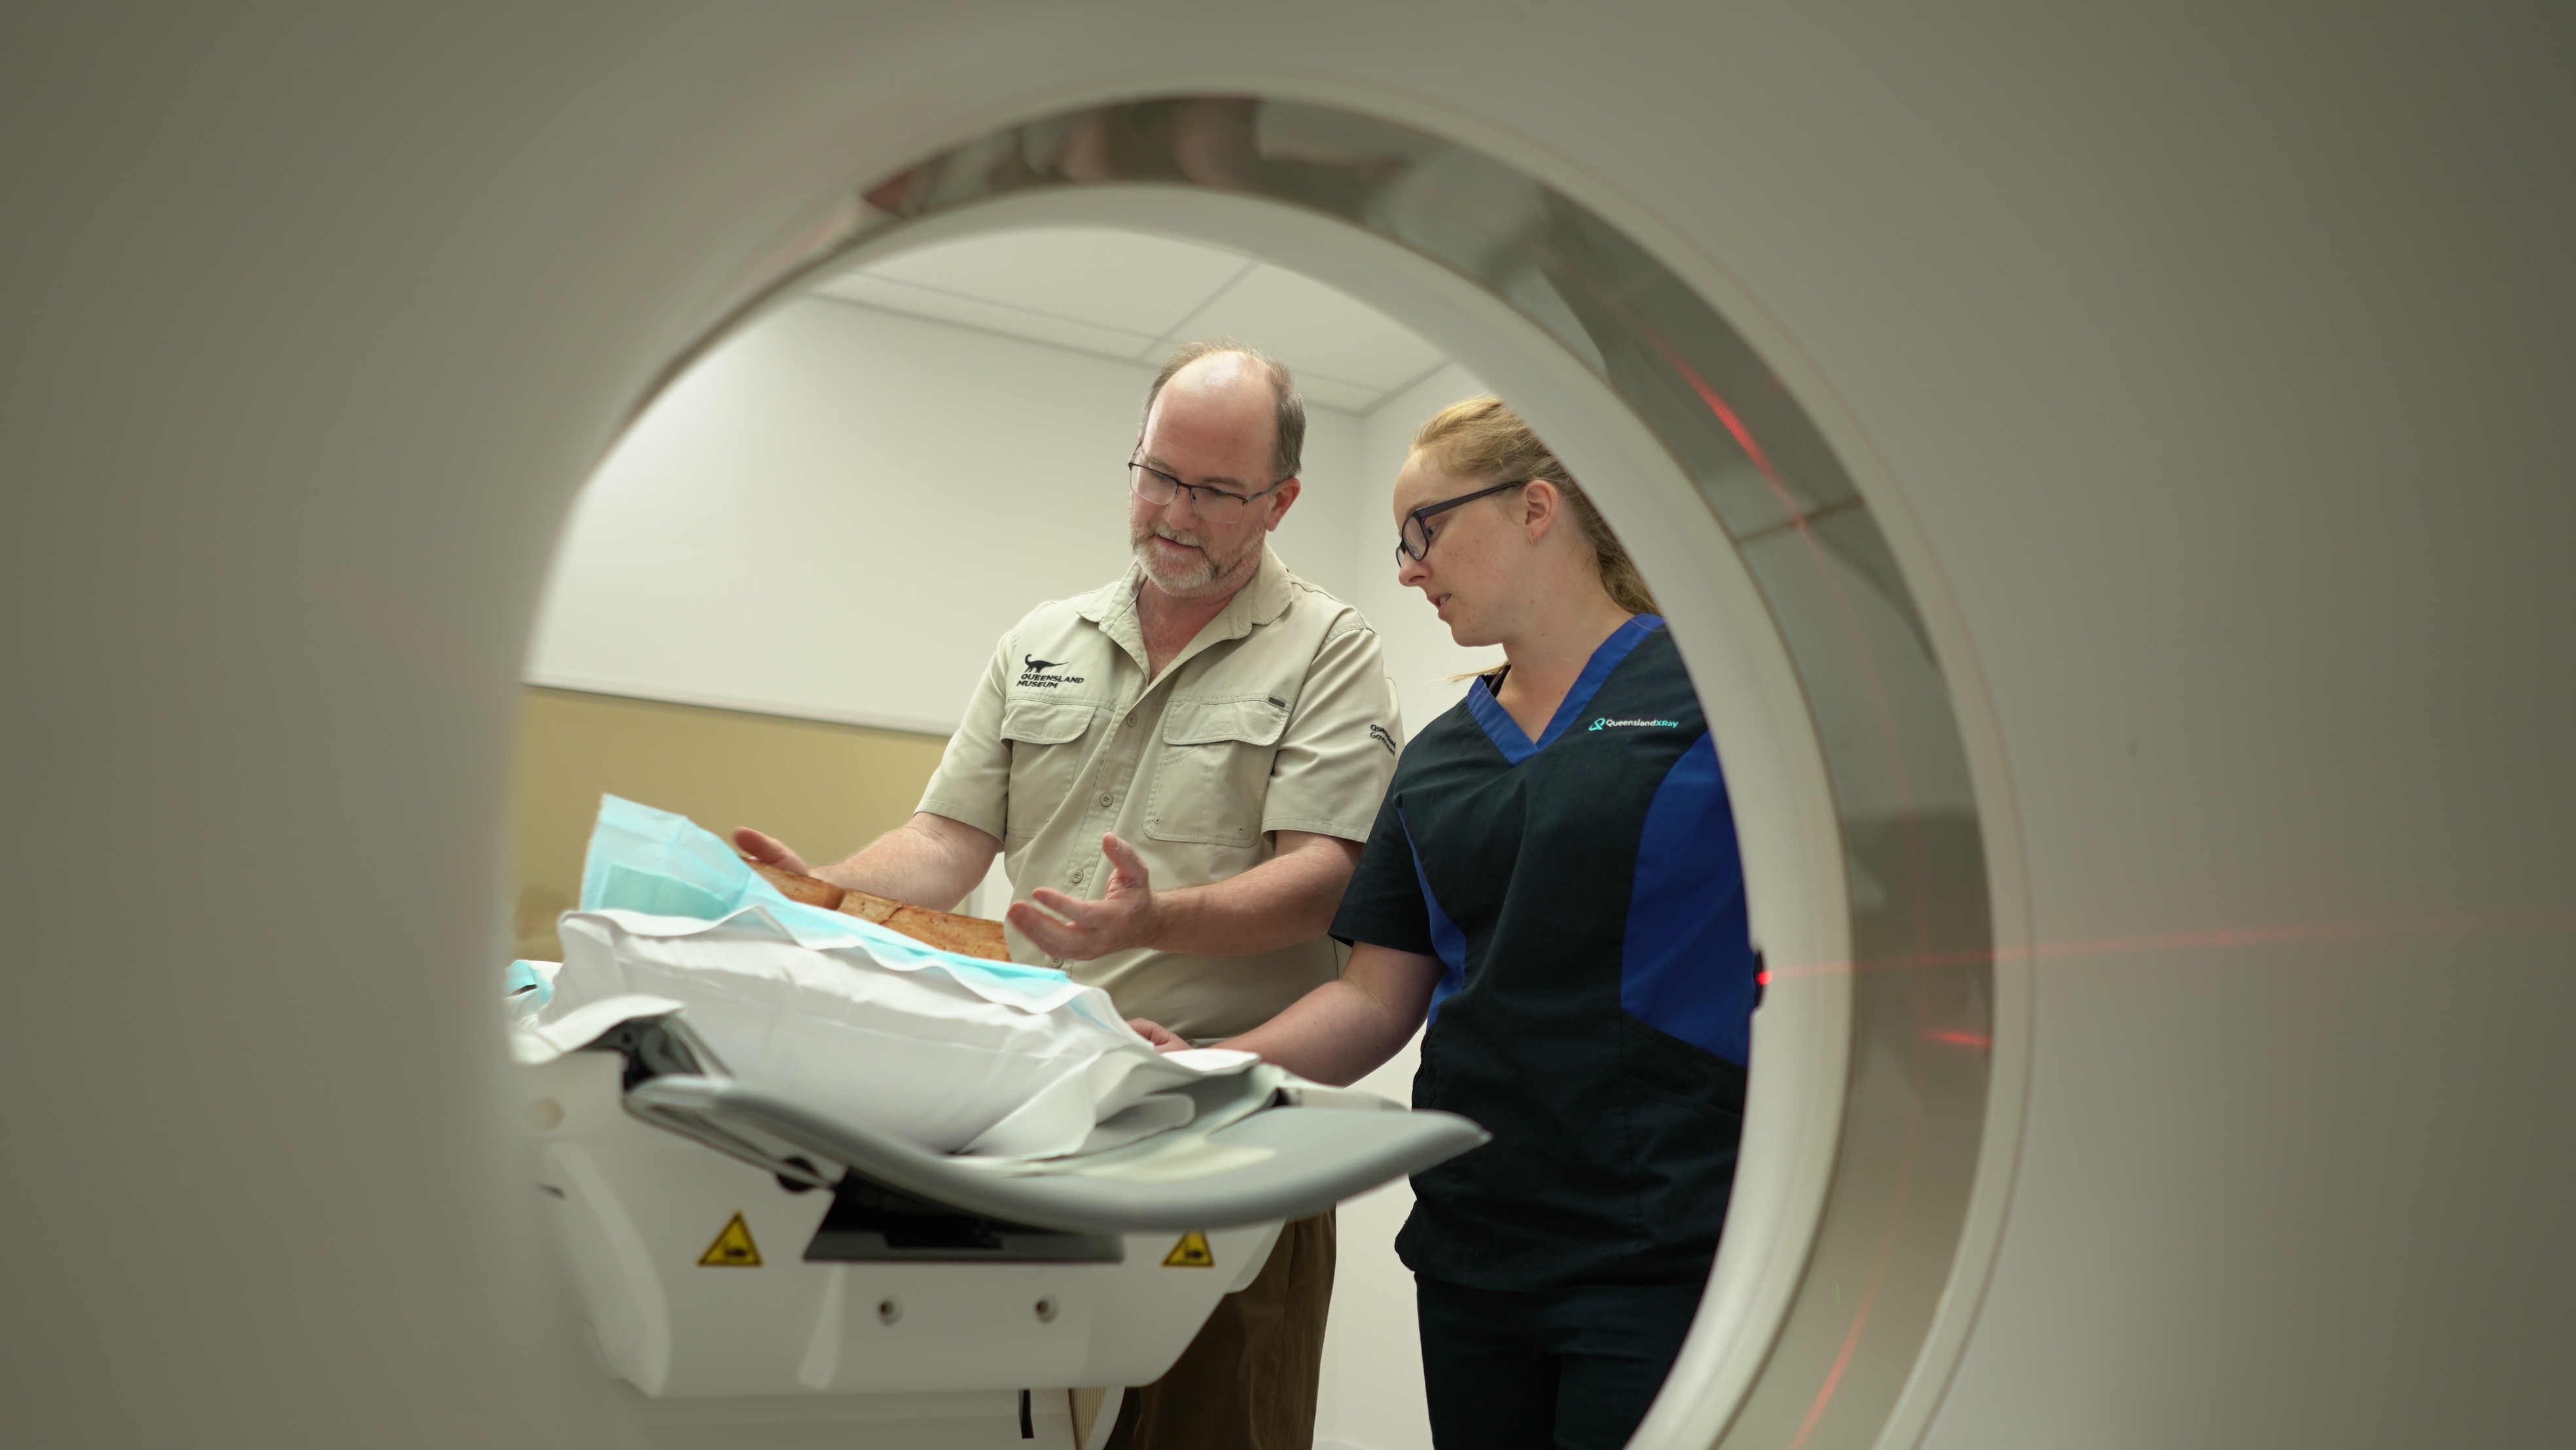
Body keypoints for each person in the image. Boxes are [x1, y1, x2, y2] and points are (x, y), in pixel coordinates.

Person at [734, 342, 1403, 1450]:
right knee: (1021, 1420)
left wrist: (1159, 918)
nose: (1173, 513)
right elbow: (944, 843)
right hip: (1037, 1117)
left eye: (1215, 491)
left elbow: (1328, 878)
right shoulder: (1043, 641)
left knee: (1212, 1429)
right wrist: (817, 890)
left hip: (1220, 1122)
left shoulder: (1329, 651)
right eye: (1157, 475)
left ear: (1280, 502)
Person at [1133, 397, 1758, 1450]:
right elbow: (1374, 999)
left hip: (1670, 1241)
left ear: (1536, 508)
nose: (1409, 569)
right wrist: (1212, 1067)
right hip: (1477, 1252)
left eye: (1425, 530)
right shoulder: (1437, 761)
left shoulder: (1722, 703)